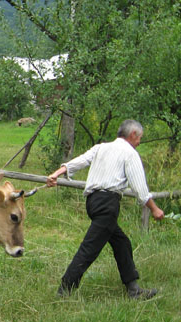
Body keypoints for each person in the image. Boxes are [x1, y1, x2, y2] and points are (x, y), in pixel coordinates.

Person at [46, 119, 164, 300]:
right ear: (133, 135)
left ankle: (133, 289)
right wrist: (155, 209)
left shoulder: (101, 147)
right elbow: (140, 189)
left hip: (93, 203)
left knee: (121, 243)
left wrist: (56, 173)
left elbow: (79, 161)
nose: (139, 142)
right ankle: (64, 290)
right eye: (140, 138)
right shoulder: (129, 153)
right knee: (89, 249)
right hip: (108, 204)